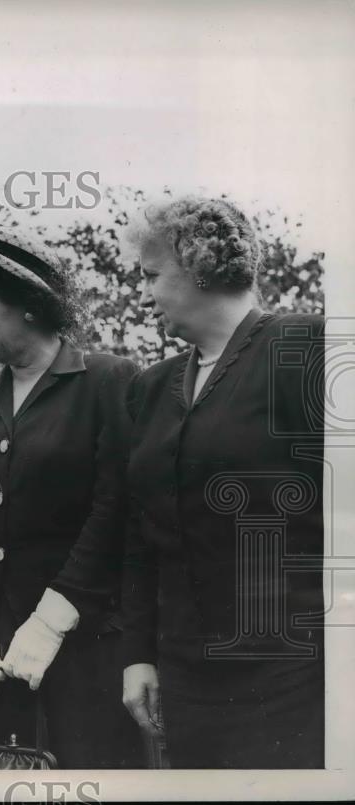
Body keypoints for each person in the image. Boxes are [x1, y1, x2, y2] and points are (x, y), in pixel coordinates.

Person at [120, 197, 325, 769]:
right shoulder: (150, 388)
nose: (144, 293)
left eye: (152, 276)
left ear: (200, 266)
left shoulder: (306, 350)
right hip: (184, 681)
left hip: (296, 678)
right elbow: (140, 537)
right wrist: (138, 657)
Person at [0, 225, 142, 769]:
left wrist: (53, 618)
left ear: (28, 306)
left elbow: (115, 509)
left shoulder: (110, 381)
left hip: (86, 648)